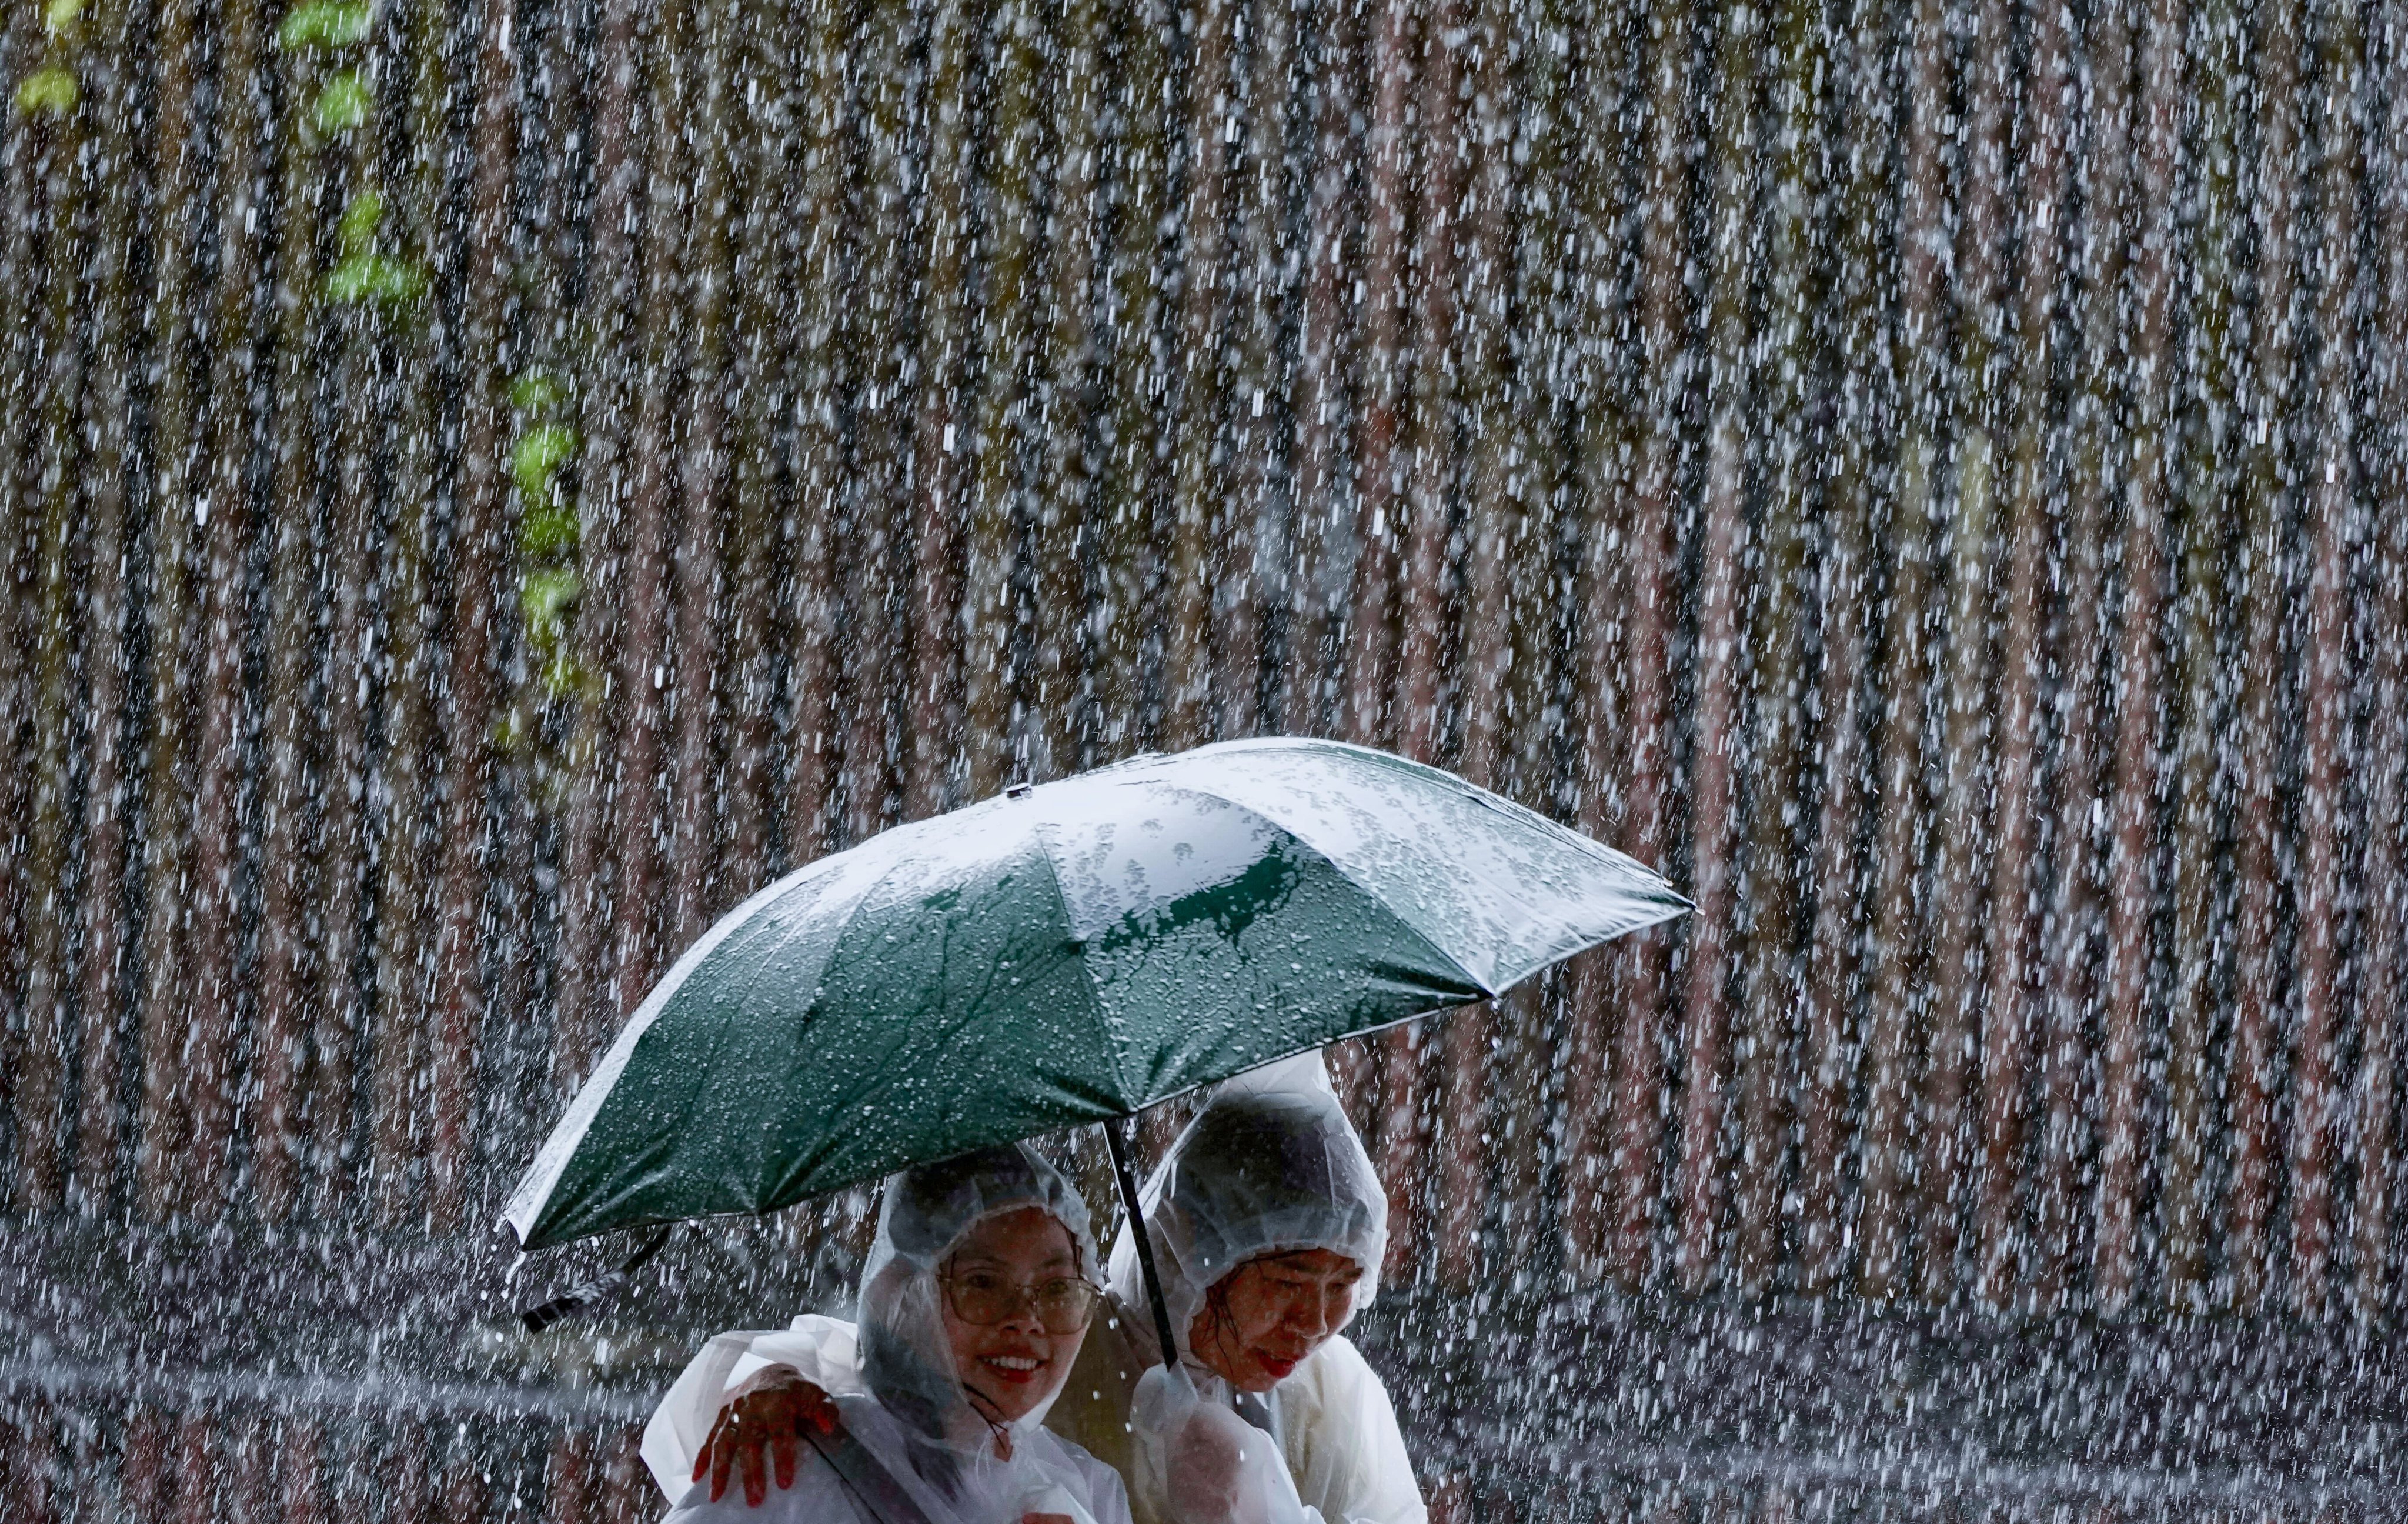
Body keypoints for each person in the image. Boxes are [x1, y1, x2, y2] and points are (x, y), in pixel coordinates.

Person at [678, 1056, 1424, 1524]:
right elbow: (879, 1390)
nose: (1314, 1322)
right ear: (1197, 1247)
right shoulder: (1054, 1371)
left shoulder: (1331, 1393)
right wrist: (770, 1381)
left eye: (1344, 1285)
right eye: (1287, 1280)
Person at [645, 1142, 1133, 1524]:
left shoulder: (1088, 1486)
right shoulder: (805, 1465)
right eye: (983, 1282)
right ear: (901, 1295)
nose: (1026, 1319)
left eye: (1057, 1288)